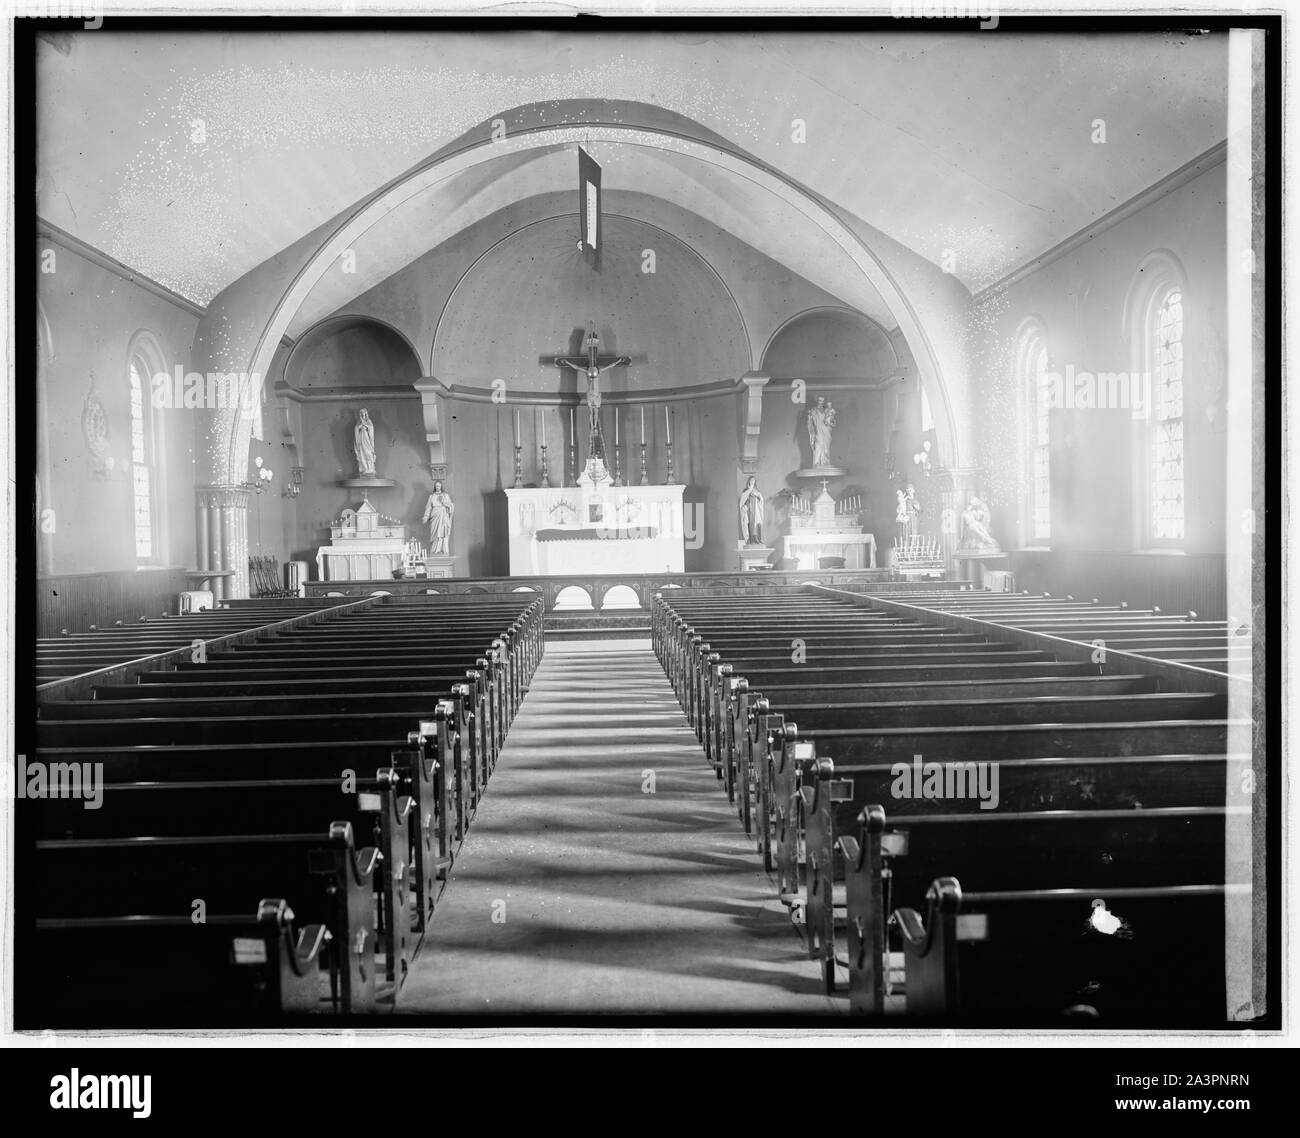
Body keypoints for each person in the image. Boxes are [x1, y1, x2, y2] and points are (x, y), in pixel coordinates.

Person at [422, 480, 455, 556]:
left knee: (443, 533)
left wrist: (444, 503)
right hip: (435, 516)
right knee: (435, 534)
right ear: (434, 487)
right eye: (436, 486)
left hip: (443, 516)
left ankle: (443, 550)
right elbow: (428, 508)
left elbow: (451, 505)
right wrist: (426, 517)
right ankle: (434, 551)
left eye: (439, 486)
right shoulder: (431, 496)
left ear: (441, 487)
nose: (437, 487)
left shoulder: (445, 495)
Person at [738, 476, 764, 546]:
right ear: (749, 481)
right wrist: (749, 491)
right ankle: (751, 539)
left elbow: (760, 500)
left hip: (756, 509)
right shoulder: (745, 490)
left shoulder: (757, 491)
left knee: (758, 523)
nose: (752, 481)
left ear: (755, 482)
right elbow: (743, 500)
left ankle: (758, 538)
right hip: (749, 510)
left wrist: (757, 496)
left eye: (754, 480)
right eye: (751, 480)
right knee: (750, 524)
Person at [354, 408, 376, 476]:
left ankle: (370, 468)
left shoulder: (369, 421)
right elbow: (356, 429)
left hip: (367, 440)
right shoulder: (359, 422)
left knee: (368, 453)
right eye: (362, 415)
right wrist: (360, 426)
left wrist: (366, 426)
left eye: (365, 414)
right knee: (362, 453)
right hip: (361, 440)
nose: (363, 416)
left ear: (366, 414)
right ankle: (364, 468)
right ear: (360, 415)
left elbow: (371, 428)